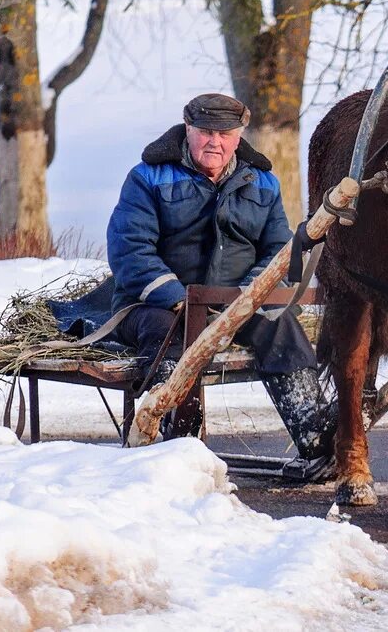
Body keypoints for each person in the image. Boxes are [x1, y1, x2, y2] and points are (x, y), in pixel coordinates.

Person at [106, 93, 333, 453]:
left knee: (281, 324)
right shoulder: (146, 177)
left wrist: (249, 297)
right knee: (171, 336)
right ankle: (176, 446)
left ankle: (319, 444)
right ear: (188, 129)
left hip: (235, 302)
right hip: (156, 306)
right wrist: (180, 302)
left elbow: (279, 251)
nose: (215, 142)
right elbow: (130, 253)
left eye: (225, 134)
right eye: (205, 132)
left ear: (239, 135)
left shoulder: (263, 182)